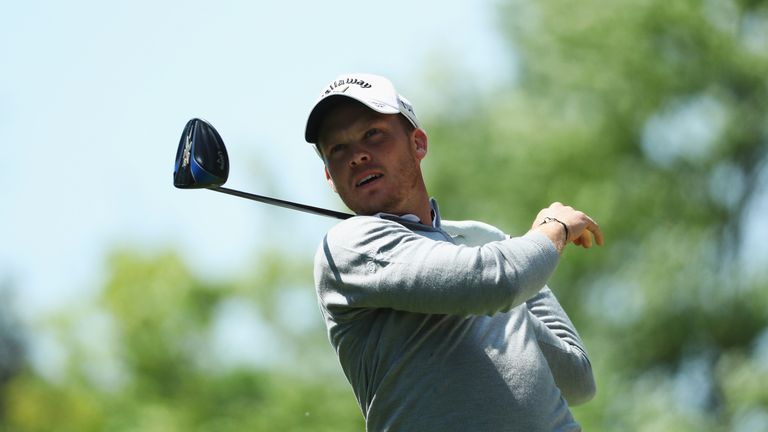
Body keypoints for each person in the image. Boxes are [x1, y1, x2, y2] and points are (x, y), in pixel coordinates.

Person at [304, 73, 604, 431]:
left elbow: (578, 378)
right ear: (329, 177)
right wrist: (553, 229)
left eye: (373, 134)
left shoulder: (482, 239)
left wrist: (501, 294)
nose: (357, 156)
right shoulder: (349, 245)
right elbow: (496, 281)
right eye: (338, 149)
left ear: (417, 143)